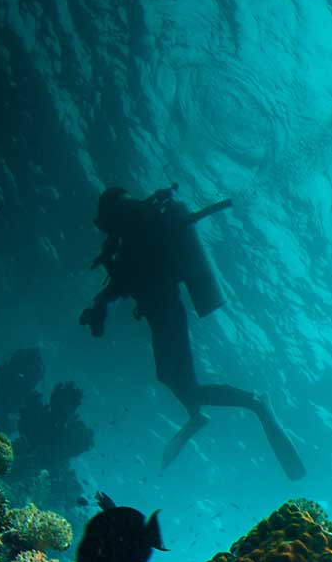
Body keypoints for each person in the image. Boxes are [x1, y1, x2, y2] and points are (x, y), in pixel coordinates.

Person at [82, 185, 305, 479]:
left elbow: (127, 276)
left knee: (186, 385)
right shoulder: (136, 229)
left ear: (112, 212)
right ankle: (197, 415)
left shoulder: (137, 229)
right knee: (169, 376)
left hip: (167, 314)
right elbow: (128, 277)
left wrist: (101, 302)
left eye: (106, 219)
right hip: (160, 313)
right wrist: (101, 303)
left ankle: (254, 402)